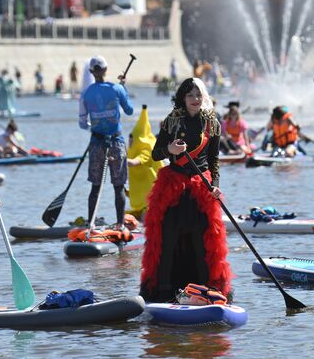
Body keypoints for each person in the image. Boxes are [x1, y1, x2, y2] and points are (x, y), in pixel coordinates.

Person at [139, 77, 232, 303]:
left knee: (203, 245)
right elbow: (155, 154)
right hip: (173, 190)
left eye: (199, 95)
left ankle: (205, 293)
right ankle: (162, 293)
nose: (195, 99)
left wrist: (216, 187)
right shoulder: (172, 121)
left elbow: (214, 161)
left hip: (201, 191)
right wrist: (170, 149)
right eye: (190, 95)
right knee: (168, 242)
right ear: (182, 98)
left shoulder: (212, 123)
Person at [79, 55, 134, 230]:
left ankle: (91, 224)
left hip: (96, 143)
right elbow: (130, 110)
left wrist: (95, 126)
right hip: (116, 143)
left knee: (95, 187)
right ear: (105, 70)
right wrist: (123, 89)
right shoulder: (117, 88)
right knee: (118, 186)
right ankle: (120, 224)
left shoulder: (86, 93)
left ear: (91, 72)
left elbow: (82, 123)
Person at [126, 104, 164, 221]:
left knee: (144, 220)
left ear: (139, 139)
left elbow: (133, 163)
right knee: (126, 218)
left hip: (151, 204)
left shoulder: (147, 151)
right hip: (140, 205)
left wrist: (118, 159)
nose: (130, 141)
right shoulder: (133, 151)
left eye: (132, 138)